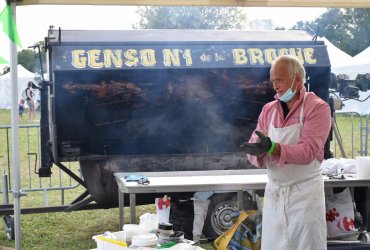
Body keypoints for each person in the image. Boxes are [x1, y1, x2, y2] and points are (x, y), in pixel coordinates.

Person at [241, 55, 331, 250]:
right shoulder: (268, 110)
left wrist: (273, 147)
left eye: (279, 80)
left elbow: (309, 151)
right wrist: (257, 151)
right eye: (272, 80)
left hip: (305, 195)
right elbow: (253, 147)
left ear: (297, 79)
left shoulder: (317, 108)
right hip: (275, 193)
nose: (274, 86)